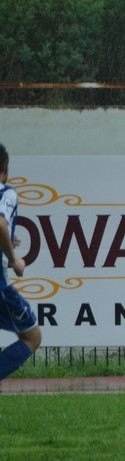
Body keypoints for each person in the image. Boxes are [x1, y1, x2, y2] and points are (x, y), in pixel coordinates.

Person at [0, 144, 42, 381]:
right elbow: (0, 223)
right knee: (32, 337)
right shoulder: (7, 193)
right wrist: (13, 259)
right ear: (6, 170)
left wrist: (6, 240)